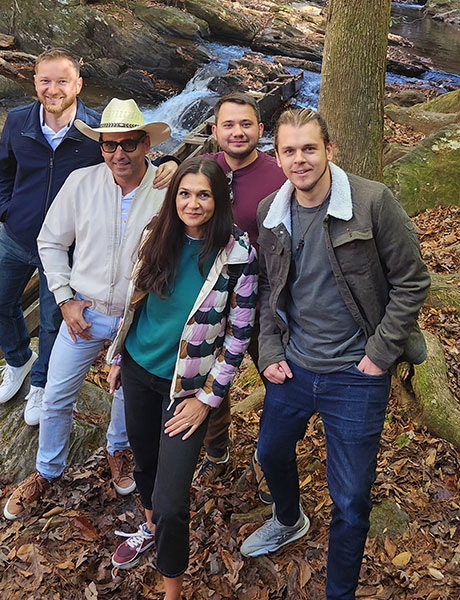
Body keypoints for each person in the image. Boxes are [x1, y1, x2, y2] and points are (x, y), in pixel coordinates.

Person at [240, 108, 430, 600]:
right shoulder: (270, 213)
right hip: (293, 369)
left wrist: (380, 355)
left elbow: (412, 281)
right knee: (271, 452)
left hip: (357, 375)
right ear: (276, 156)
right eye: (289, 150)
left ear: (330, 149)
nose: (299, 160)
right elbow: (267, 289)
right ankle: (288, 517)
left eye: (309, 148)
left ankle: (338, 593)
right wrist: (268, 349)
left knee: (350, 499)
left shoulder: (372, 202)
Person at [2, 98, 173, 519]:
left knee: (126, 398)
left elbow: (211, 195)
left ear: (146, 144)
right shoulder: (80, 183)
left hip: (139, 318)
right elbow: (51, 242)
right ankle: (46, 471)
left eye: (129, 144)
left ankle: (119, 450)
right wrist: (64, 298)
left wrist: (179, 166)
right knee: (57, 395)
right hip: (85, 313)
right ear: (100, 147)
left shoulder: (168, 190)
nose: (119, 154)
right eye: (110, 145)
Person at [0, 49, 175, 424]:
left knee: (52, 317)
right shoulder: (18, 121)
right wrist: (8, 211)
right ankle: (18, 361)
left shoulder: (96, 131)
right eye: (45, 80)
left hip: (65, 244)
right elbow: (2, 169)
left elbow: (131, 160)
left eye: (62, 81)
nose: (53, 89)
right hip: (18, 235)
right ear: (34, 82)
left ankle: (41, 385)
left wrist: (172, 166)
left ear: (78, 85)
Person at [104, 157, 257, 600]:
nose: (193, 203)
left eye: (204, 195)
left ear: (219, 200)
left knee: (173, 503)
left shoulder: (237, 254)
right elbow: (135, 299)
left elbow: (239, 333)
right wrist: (117, 356)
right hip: (138, 370)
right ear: (174, 197)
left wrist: (208, 398)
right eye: (185, 193)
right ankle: (147, 527)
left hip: (186, 391)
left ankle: (172, 589)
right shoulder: (159, 232)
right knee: (145, 465)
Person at [194, 92, 285, 493]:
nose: (237, 132)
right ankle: (216, 452)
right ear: (214, 132)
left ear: (260, 130)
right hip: (212, 295)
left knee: (276, 379)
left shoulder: (278, 177)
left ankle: (270, 457)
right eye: (228, 125)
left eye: (246, 124)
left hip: (264, 297)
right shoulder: (201, 169)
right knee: (211, 374)